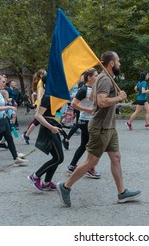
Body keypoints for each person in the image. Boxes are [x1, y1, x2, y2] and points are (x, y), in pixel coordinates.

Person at [57, 51, 141, 207]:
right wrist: (119, 98)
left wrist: (101, 99)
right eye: (118, 61)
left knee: (116, 157)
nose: (120, 64)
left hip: (109, 126)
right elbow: (102, 102)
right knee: (91, 161)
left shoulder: (105, 79)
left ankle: (122, 193)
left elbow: (92, 98)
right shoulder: (104, 80)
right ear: (111, 63)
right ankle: (66, 186)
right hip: (100, 127)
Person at [28, 74, 66, 191]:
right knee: (59, 158)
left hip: (54, 127)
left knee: (56, 157)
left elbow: (57, 113)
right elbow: (38, 116)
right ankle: (35, 176)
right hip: (49, 128)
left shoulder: (55, 96)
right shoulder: (48, 96)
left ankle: (46, 182)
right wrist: (51, 127)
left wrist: (59, 123)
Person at [66, 68, 101, 179]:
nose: (98, 77)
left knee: (83, 145)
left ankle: (72, 166)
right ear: (89, 77)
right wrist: (88, 110)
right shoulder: (84, 89)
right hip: (86, 121)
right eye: (96, 75)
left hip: (88, 121)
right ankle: (90, 168)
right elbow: (74, 103)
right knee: (94, 146)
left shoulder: (94, 88)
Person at [22, 69, 46, 145]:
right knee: (37, 121)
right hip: (42, 104)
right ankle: (26, 134)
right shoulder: (41, 82)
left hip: (43, 103)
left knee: (40, 120)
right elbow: (40, 95)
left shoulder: (43, 82)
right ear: (41, 75)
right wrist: (38, 106)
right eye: (45, 74)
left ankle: (27, 134)